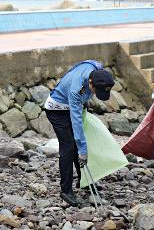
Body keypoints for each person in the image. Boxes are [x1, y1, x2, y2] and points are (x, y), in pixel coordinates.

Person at [44, 60, 115, 207]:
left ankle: (84, 181)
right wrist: (83, 151)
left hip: (71, 107)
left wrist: (82, 147)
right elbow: (76, 121)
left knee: (78, 144)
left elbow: (87, 63)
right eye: (96, 91)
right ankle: (66, 190)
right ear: (90, 83)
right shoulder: (77, 90)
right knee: (69, 148)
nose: (95, 94)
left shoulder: (95, 69)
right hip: (57, 110)